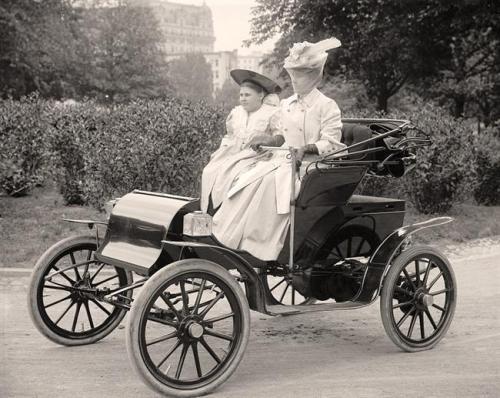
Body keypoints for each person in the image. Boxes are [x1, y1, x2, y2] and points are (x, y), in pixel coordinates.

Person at [211, 38, 347, 261]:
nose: (294, 80)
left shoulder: (326, 105)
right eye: (293, 74)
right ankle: (231, 236)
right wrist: (270, 140)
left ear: (313, 76)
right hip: (285, 158)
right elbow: (283, 135)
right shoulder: (287, 104)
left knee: (269, 185)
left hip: (313, 164)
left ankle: (259, 244)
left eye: (300, 75)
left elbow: (331, 142)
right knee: (247, 179)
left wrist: (307, 148)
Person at [200, 69, 282, 213]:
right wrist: (222, 150)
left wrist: (267, 140)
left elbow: (280, 136)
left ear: (261, 95)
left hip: (258, 155)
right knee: (209, 171)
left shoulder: (271, 113)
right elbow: (229, 136)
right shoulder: (237, 113)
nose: (243, 98)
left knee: (236, 176)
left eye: (248, 95)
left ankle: (228, 212)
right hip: (233, 152)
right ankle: (210, 210)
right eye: (241, 95)